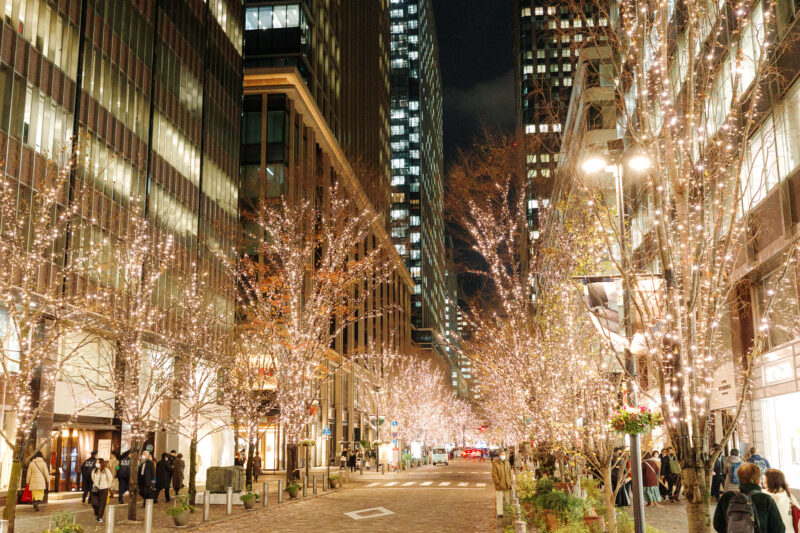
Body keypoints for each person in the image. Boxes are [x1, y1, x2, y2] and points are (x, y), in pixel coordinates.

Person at [713, 462, 785, 533]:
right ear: (758, 480)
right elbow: (779, 529)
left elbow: (717, 524)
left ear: (739, 478)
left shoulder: (727, 497)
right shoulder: (765, 499)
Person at [765, 468, 799, 533]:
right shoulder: (787, 494)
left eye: (765, 480)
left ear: (771, 481)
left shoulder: (774, 497)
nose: (764, 482)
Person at [492, 450, 513, 519]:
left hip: (507, 484)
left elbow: (510, 473)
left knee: (507, 499)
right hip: (499, 485)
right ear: (499, 456)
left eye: (504, 454)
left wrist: (510, 481)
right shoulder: (495, 463)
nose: (503, 456)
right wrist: (497, 482)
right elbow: (494, 474)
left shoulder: (507, 463)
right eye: (501, 454)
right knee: (499, 499)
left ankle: (508, 511)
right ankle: (500, 513)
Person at [91, 458, 112, 523]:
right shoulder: (94, 470)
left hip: (104, 489)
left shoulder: (106, 470)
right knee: (94, 503)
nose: (97, 463)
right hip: (96, 489)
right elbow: (93, 478)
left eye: (98, 462)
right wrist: (95, 484)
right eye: (96, 462)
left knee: (102, 504)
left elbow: (110, 478)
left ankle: (99, 517)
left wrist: (108, 486)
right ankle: (97, 512)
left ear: (101, 463)